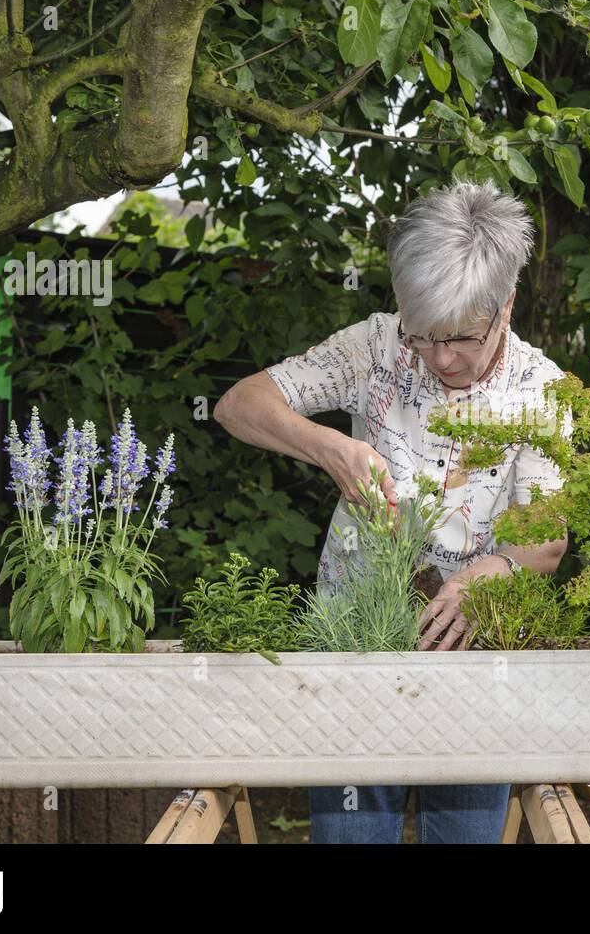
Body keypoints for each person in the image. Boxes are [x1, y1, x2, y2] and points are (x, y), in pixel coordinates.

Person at [213, 178, 571, 843]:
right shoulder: (377, 348)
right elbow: (238, 404)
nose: (440, 357)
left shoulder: (542, 394)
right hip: (355, 647)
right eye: (424, 333)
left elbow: (545, 540)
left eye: (461, 337)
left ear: (507, 305)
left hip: (473, 653)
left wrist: (483, 577)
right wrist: (328, 446)